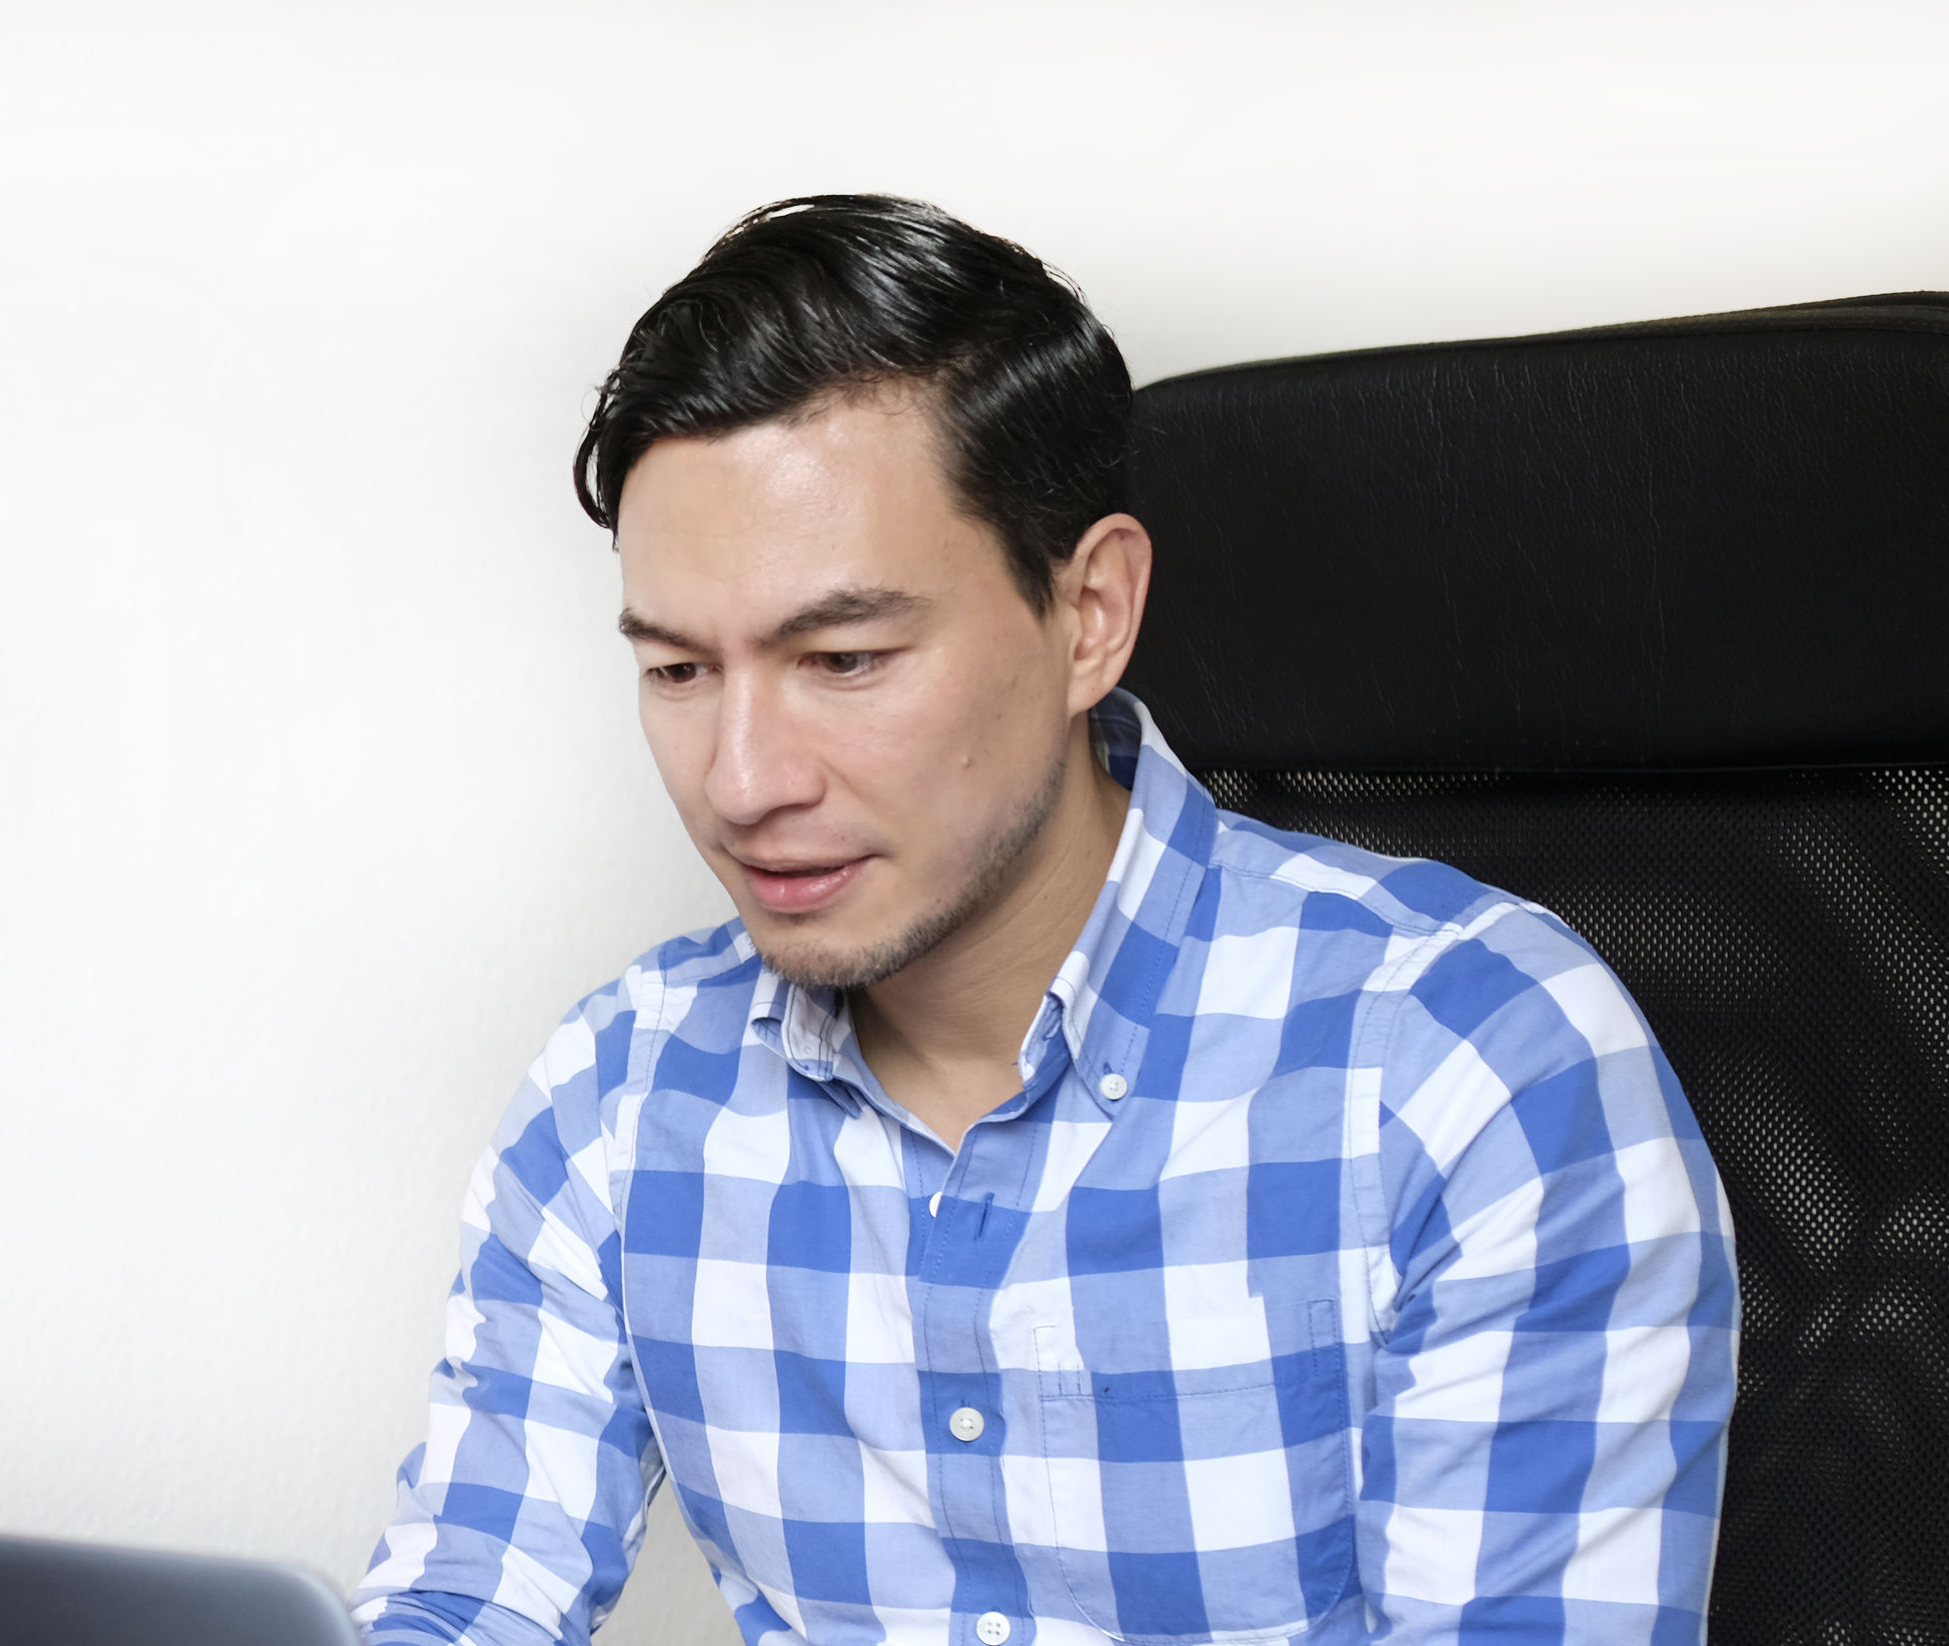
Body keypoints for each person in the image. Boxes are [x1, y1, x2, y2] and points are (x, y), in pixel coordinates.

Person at [352, 196, 1735, 1646]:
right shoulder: (622, 1097)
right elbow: (463, 1594)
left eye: (843, 656)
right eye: (682, 672)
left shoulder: (1475, 1063)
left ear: (1090, 615)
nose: (743, 782)